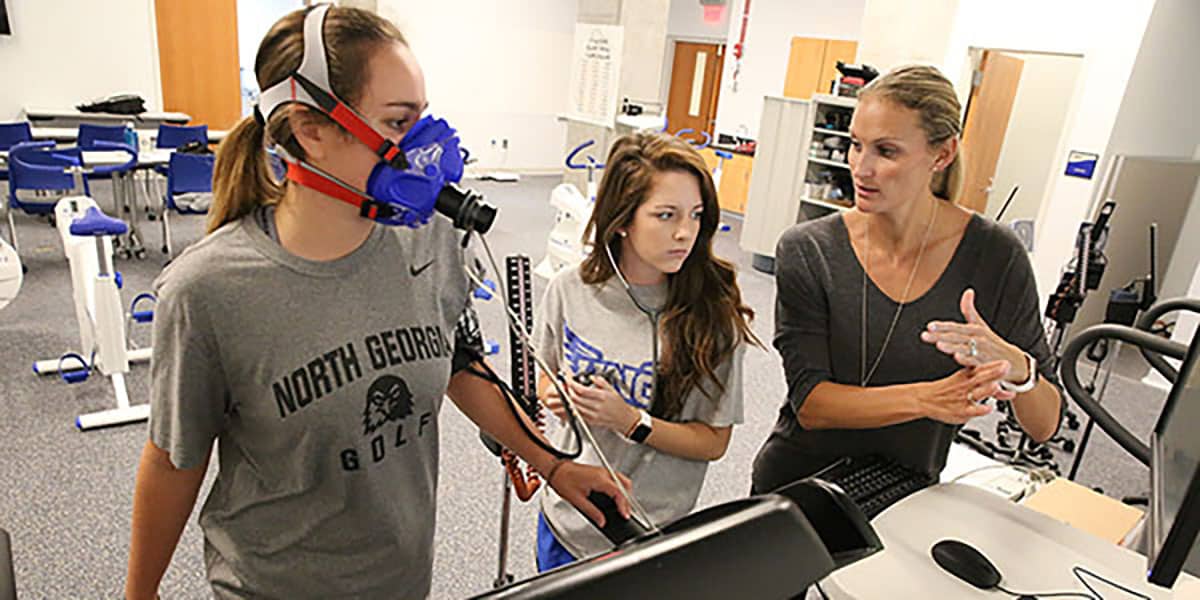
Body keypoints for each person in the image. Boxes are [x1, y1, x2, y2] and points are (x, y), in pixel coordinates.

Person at [123, 6, 628, 599]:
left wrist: (554, 464)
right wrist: (140, 593)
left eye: (422, 117)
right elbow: (173, 459)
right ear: (310, 129)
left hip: (400, 579)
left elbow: (456, 363)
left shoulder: (431, 237)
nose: (423, 147)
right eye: (397, 123)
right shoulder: (209, 292)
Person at [751, 65, 1063, 495]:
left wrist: (1017, 365)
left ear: (942, 154)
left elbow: (1045, 424)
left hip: (905, 493)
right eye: (856, 146)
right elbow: (811, 404)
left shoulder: (995, 255)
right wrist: (927, 399)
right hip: (800, 487)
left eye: (887, 151)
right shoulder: (810, 249)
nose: (862, 167)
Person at [531, 132, 761, 571]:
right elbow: (546, 376)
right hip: (569, 520)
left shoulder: (712, 313)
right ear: (622, 219)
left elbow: (713, 442)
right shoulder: (570, 290)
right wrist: (552, 393)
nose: (685, 233)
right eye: (665, 215)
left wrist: (630, 421)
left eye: (695, 216)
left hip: (650, 534)